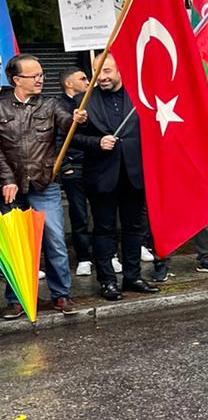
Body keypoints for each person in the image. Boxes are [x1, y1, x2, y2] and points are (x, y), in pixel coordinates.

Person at [0, 55, 86, 318]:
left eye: (41, 75)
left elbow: (67, 122)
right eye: (34, 76)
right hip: (11, 189)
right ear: (17, 80)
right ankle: (17, 299)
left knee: (55, 241)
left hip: (44, 185)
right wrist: (7, 180)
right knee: (17, 245)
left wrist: (77, 118)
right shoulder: (1, 108)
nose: (40, 79)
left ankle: (62, 295)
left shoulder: (50, 105)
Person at [71, 55, 159, 301]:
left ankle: (132, 277)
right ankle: (107, 282)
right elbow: (71, 138)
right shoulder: (83, 100)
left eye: (107, 70)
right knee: (103, 230)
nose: (101, 77)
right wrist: (97, 142)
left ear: (120, 70)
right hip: (101, 176)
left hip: (134, 174)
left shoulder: (140, 96)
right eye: (97, 71)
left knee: (134, 229)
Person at [58, 67, 94, 278]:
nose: (88, 81)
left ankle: (108, 255)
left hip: (96, 165)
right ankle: (84, 257)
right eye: (83, 78)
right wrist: (65, 166)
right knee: (79, 214)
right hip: (73, 166)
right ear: (69, 83)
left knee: (102, 212)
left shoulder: (93, 102)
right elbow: (55, 139)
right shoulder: (58, 106)